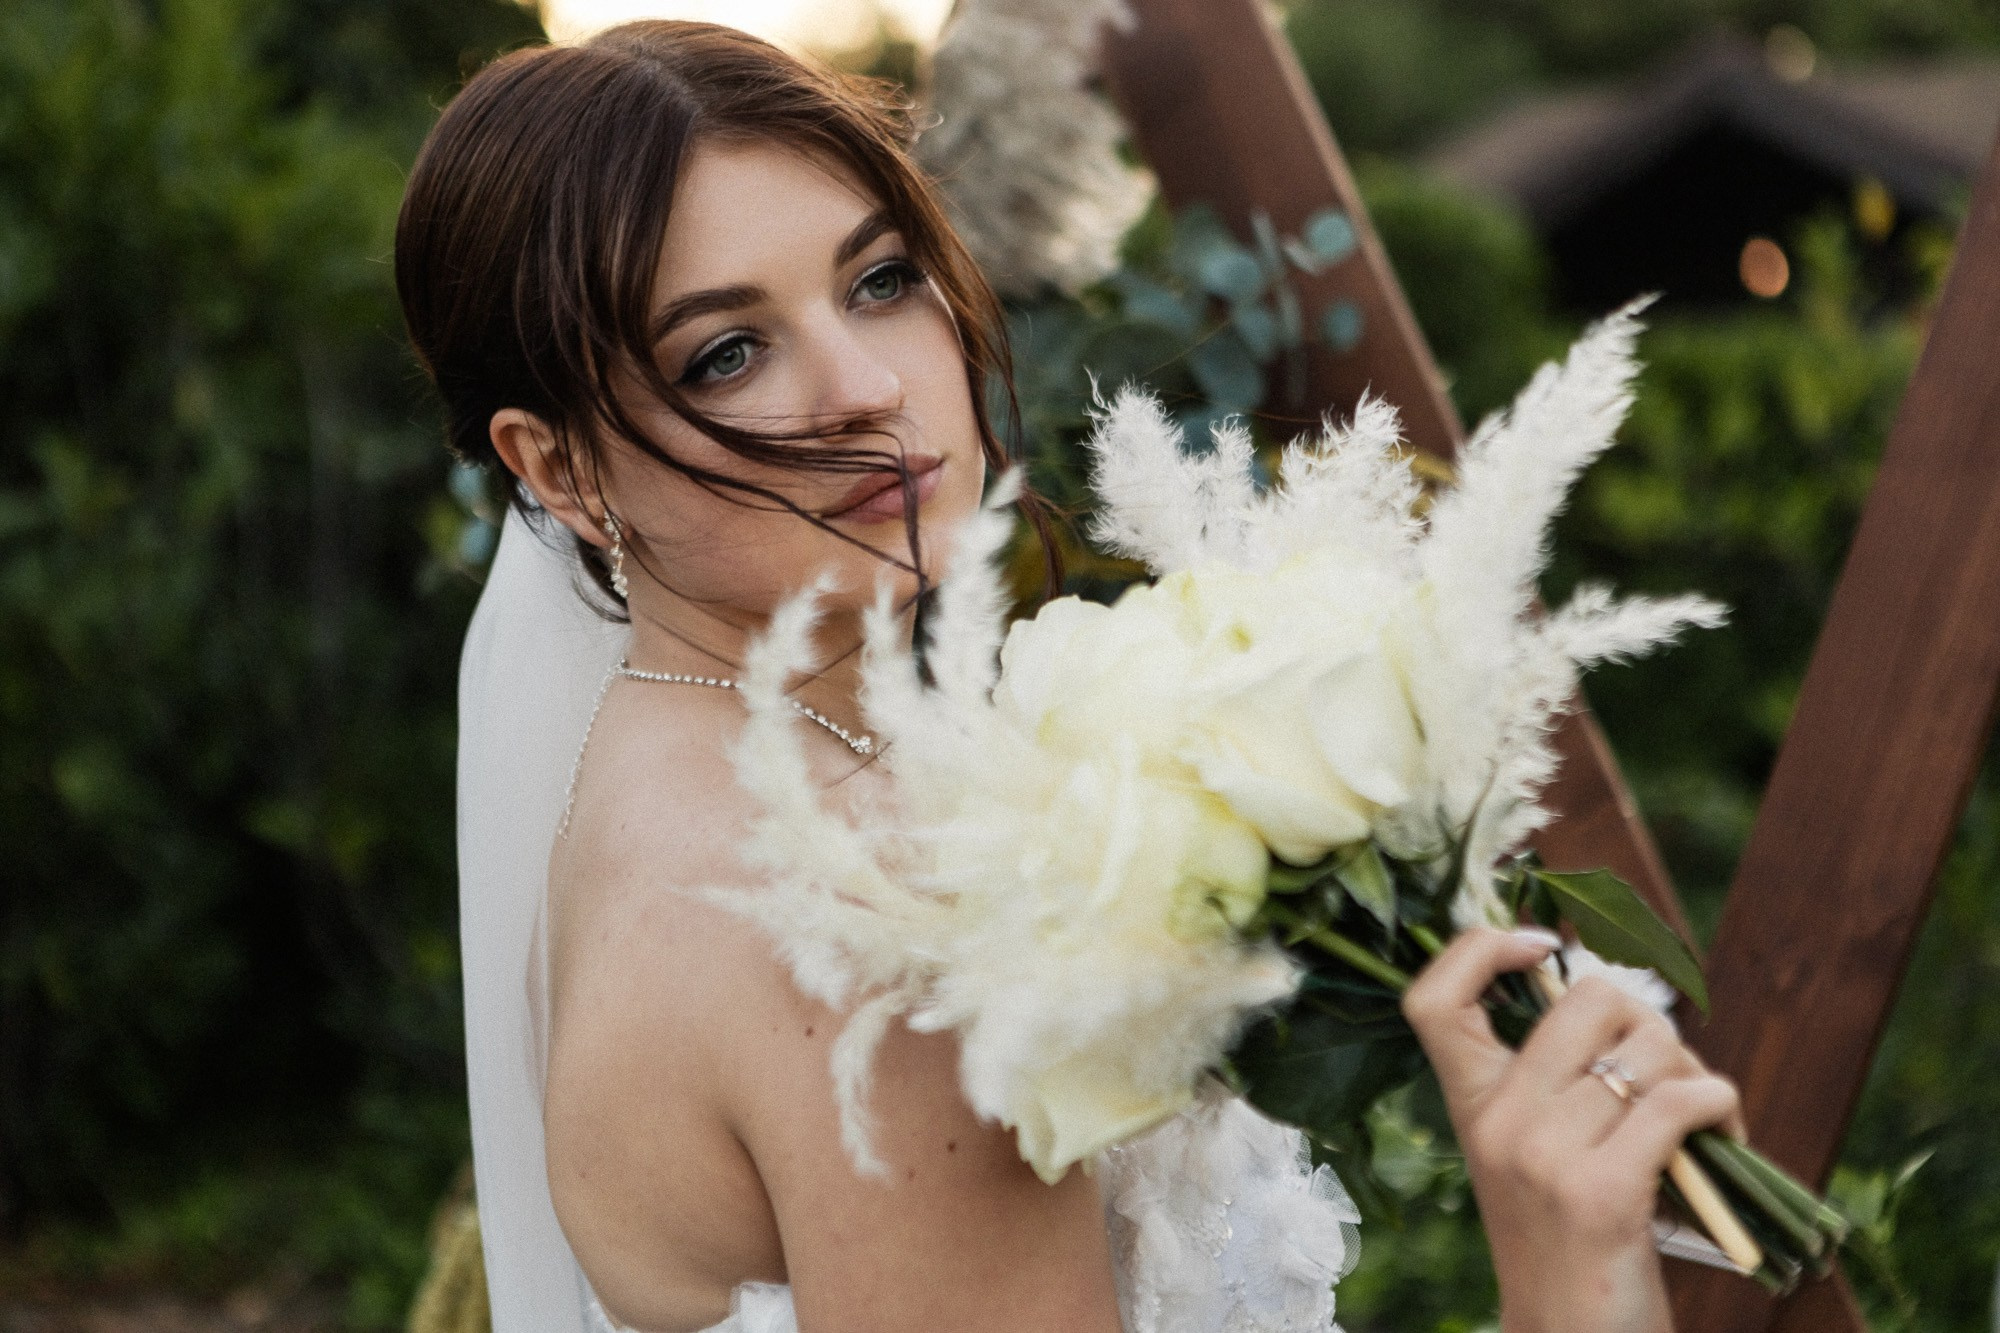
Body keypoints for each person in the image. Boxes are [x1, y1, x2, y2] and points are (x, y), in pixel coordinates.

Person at [396, 21, 1744, 1333]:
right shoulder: (857, 916)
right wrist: (1566, 1294)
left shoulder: (664, 791)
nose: (869, 384)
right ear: (559, 469)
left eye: (877, 280)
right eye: (728, 353)